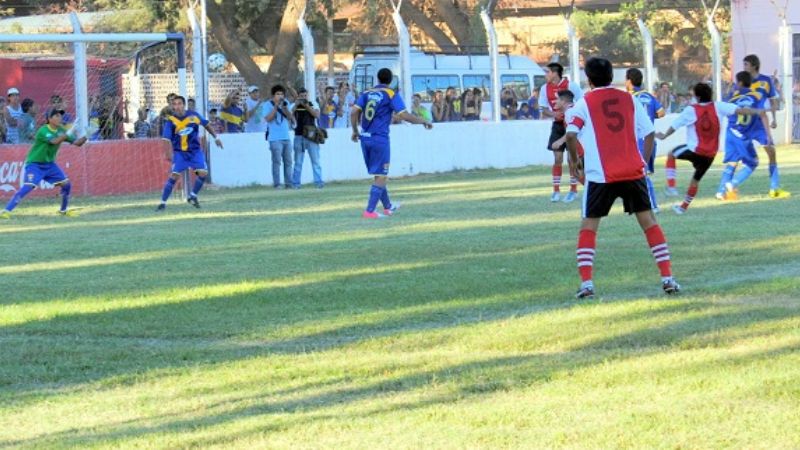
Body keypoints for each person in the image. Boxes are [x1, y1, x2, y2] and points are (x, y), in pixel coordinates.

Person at [565, 57, 680, 299]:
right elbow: (649, 133)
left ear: (589, 79)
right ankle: (667, 278)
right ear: (611, 77)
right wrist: (643, 162)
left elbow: (571, 134)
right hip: (632, 171)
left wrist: (574, 163)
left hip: (600, 175)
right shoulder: (630, 99)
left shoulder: (584, 102)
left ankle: (587, 284)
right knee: (649, 222)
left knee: (589, 226)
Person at [656, 83, 763, 215]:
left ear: (698, 97)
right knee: (695, 180)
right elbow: (740, 110)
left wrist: (664, 136)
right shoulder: (719, 106)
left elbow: (675, 125)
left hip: (694, 150)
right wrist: (758, 111)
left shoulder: (691, 110)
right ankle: (683, 207)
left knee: (671, 154)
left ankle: (671, 188)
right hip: (710, 155)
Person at [350, 68, 433, 219]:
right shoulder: (390, 93)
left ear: (377, 79)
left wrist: (355, 131)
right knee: (382, 175)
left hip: (365, 138)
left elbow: (354, 112)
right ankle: (369, 211)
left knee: (379, 174)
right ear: (390, 81)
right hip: (379, 139)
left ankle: (388, 207)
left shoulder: (366, 93)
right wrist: (423, 121)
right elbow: (404, 115)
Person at [1, 109, 87, 219]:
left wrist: (86, 135)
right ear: (49, 119)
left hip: (49, 165)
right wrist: (67, 134)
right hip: (35, 164)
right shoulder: (43, 130)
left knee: (66, 184)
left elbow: (77, 143)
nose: (60, 118)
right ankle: (6, 211)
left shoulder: (61, 130)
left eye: (60, 116)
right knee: (29, 186)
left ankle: (63, 210)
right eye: (56, 116)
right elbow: (54, 141)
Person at [156, 95, 224, 211]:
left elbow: (206, 124)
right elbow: (166, 139)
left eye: (179, 103)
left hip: (195, 152)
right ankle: (162, 203)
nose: (177, 106)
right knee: (174, 175)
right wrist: (168, 153)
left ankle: (192, 196)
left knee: (203, 173)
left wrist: (216, 137)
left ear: (184, 105)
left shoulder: (194, 116)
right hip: (180, 153)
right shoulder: (171, 121)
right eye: (174, 104)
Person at [716, 71, 770, 200]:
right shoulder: (756, 96)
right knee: (753, 162)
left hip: (730, 133)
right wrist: (767, 135)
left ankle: (720, 192)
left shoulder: (731, 97)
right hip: (743, 135)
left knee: (732, 162)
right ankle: (732, 184)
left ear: (739, 83)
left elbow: (724, 111)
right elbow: (763, 113)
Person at [743, 54, 791, 198]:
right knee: (735, 157)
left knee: (771, 151)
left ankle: (774, 187)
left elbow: (772, 100)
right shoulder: (742, 80)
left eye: (746, 64)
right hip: (744, 123)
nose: (744, 67)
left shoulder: (766, 80)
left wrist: (774, 119)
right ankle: (726, 188)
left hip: (760, 122)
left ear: (754, 65)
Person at [539, 62, 583, 203]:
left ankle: (573, 190)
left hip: (571, 124)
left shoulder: (571, 86)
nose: (545, 75)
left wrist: (571, 113)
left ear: (555, 73)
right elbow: (543, 109)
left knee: (571, 158)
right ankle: (556, 191)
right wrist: (554, 114)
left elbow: (582, 102)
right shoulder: (544, 88)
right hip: (558, 125)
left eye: (547, 72)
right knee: (558, 158)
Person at [626, 68, 665, 212]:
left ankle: (653, 205)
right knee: (637, 174)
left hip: (638, 141)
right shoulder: (649, 96)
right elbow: (661, 113)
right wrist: (650, 117)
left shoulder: (630, 97)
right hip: (650, 140)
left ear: (629, 81)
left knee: (642, 174)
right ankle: (635, 204)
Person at [291, 87, 323, 189]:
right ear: (298, 96)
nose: (303, 98)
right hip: (298, 135)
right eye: (301, 96)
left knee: (316, 161)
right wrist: (296, 105)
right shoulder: (294, 105)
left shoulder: (313, 103)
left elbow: (317, 115)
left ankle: (318, 182)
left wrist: (306, 105)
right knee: (298, 162)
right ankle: (296, 183)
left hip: (311, 136)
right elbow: (289, 115)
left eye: (305, 96)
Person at [264, 85, 295, 189]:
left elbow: (290, 117)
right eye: (277, 94)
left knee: (288, 162)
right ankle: (277, 184)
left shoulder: (286, 103)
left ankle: (289, 183)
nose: (280, 96)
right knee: (276, 162)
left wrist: (285, 108)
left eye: (282, 94)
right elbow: (268, 119)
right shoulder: (267, 105)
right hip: (274, 138)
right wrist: (276, 107)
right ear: (273, 95)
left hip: (286, 137)